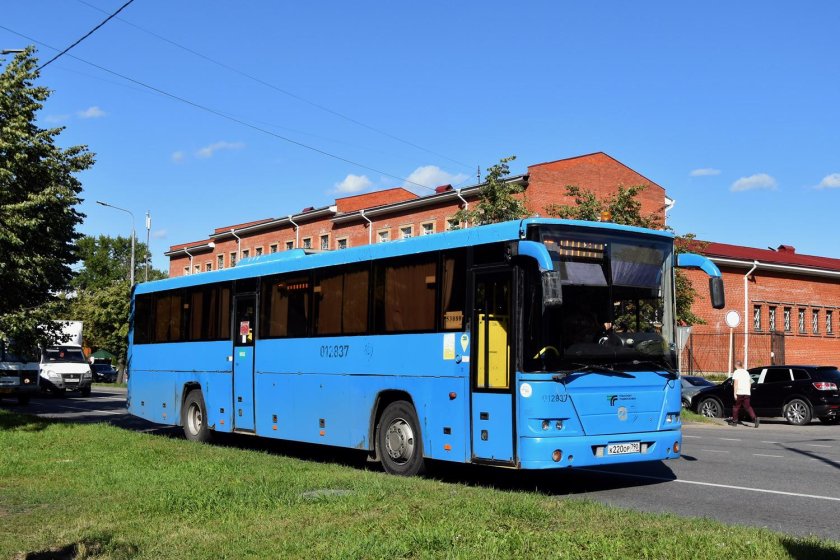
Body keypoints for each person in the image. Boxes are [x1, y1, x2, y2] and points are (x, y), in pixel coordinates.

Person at [729, 361, 759, 428]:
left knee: (736, 407)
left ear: (736, 365)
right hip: (747, 392)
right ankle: (755, 419)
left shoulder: (736, 372)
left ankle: (734, 421)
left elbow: (736, 383)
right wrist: (748, 391)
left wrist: (735, 394)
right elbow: (749, 383)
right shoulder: (746, 372)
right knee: (748, 407)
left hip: (739, 392)